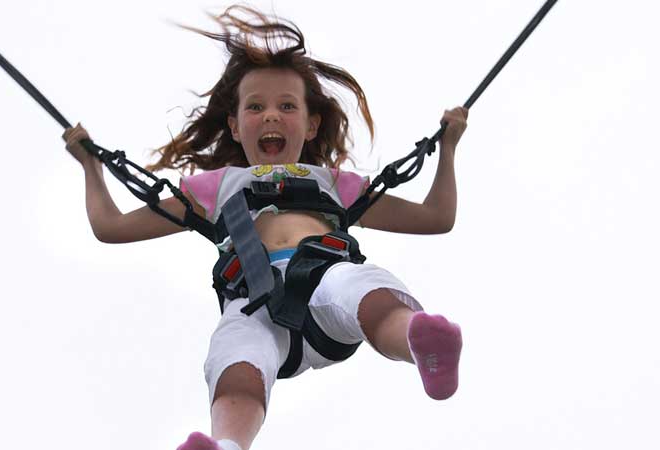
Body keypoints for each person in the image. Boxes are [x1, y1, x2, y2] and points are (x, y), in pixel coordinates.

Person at [62, 6, 466, 450]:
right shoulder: (214, 187)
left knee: (360, 287)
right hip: (253, 297)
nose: (271, 115)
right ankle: (228, 444)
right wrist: (91, 167)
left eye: (286, 106)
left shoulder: (333, 183)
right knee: (234, 356)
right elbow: (112, 226)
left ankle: (419, 342)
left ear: (311, 124)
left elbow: (435, 218)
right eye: (256, 107)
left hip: (324, 278)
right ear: (235, 126)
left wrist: (446, 150)